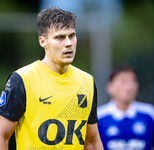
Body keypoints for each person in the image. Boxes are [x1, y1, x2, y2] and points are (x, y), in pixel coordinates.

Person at [0, 7, 103, 150]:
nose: (68, 43)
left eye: (72, 36)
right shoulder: (22, 79)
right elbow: (2, 135)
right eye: (60, 37)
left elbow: (91, 140)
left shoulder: (87, 82)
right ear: (43, 42)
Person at [97, 65, 154, 150]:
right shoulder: (98, 117)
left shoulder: (149, 114)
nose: (129, 87)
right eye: (123, 82)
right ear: (110, 87)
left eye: (133, 81)